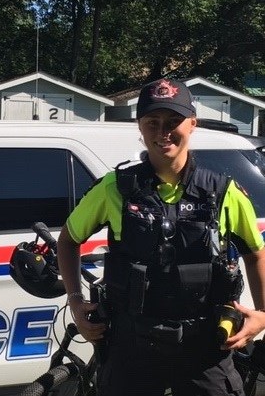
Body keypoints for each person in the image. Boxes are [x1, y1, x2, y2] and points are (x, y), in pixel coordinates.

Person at [56, 78, 265, 396]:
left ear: (192, 124)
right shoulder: (114, 189)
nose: (162, 131)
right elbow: (68, 240)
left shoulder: (224, 193)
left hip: (205, 348)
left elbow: (256, 253)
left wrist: (262, 315)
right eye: (152, 122)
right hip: (132, 346)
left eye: (173, 121)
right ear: (140, 127)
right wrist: (75, 302)